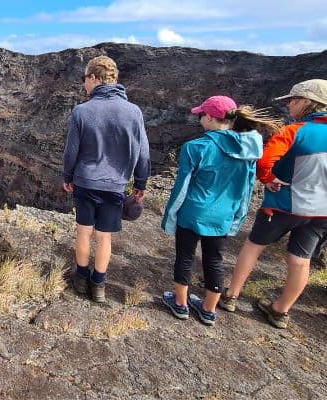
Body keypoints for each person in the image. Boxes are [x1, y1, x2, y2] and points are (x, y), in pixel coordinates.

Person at [160, 96, 282, 326]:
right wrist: (238, 217)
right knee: (214, 260)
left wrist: (170, 216)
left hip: (192, 212)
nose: (199, 120)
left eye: (200, 115)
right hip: (223, 216)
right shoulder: (249, 152)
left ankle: (180, 304)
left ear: (208, 117)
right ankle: (208, 310)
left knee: (185, 257)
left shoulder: (196, 147)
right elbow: (247, 188)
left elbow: (182, 187)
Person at [219, 79, 327, 329]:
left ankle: (231, 295)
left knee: (254, 246)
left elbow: (264, 160)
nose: (289, 104)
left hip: (283, 205)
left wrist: (268, 179)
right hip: (322, 213)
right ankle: (280, 311)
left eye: (293, 100)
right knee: (301, 260)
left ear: (308, 103)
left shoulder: (294, 131)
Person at [63, 55, 150, 302]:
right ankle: (98, 285)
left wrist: (67, 176)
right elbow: (143, 151)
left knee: (83, 231)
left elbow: (71, 150)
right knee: (104, 236)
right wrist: (141, 182)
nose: (84, 85)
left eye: (84, 80)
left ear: (94, 78)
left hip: (85, 181)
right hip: (115, 185)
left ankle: (81, 280)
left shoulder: (82, 111)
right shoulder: (133, 112)